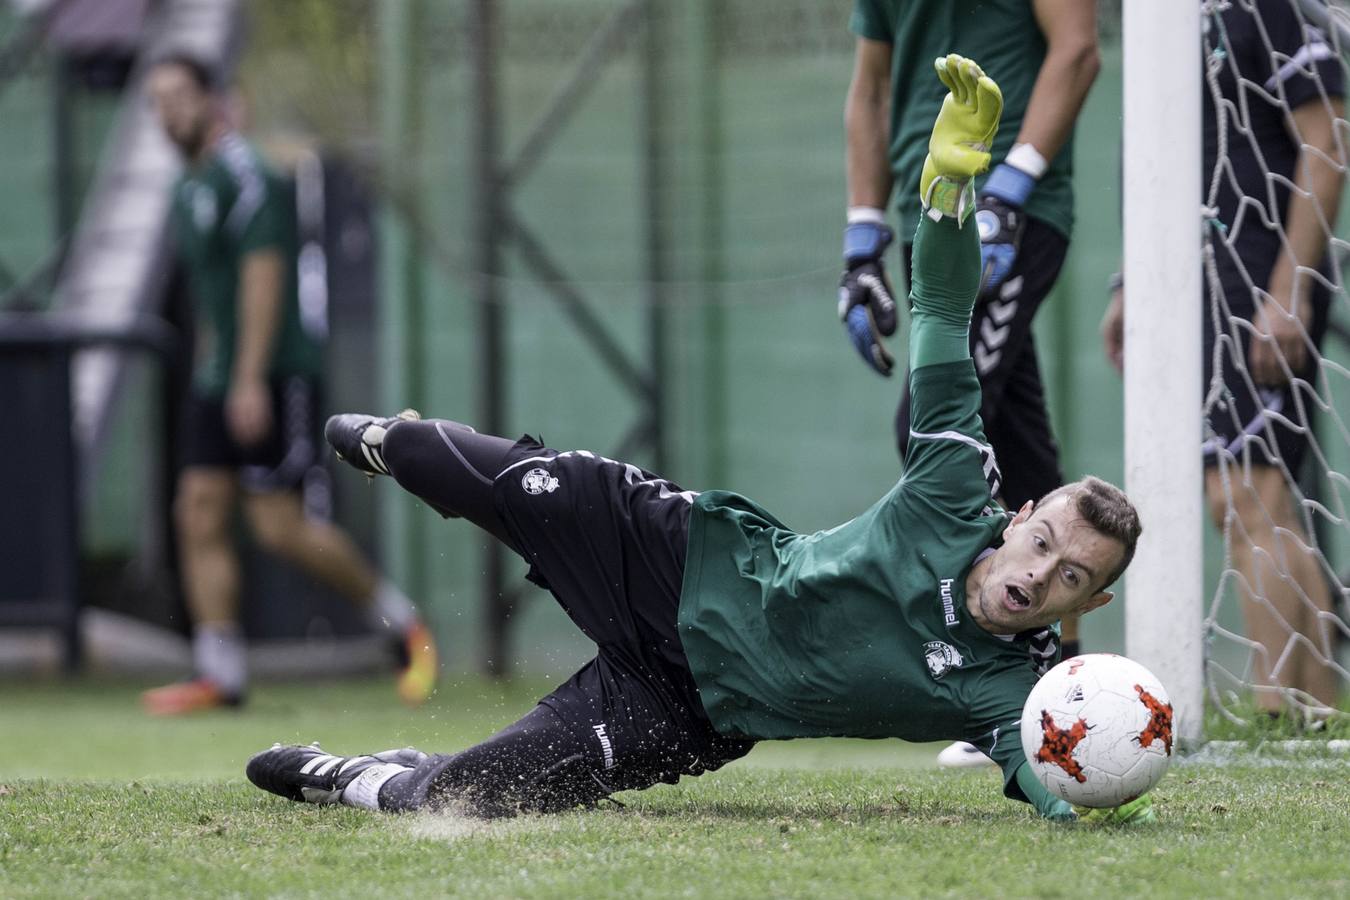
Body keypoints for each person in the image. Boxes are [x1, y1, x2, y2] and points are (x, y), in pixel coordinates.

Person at [247, 57, 1149, 824]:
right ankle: (393, 441)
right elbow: (945, 313)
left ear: (1090, 607)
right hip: (684, 560)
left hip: (688, 709)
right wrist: (950, 196)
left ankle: (354, 774)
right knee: (434, 460)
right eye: (1042, 541)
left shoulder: (1020, 689)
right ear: (1019, 516)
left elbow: (1039, 767)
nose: (1038, 574)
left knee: (459, 799)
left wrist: (1078, 793)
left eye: (1070, 577)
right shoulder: (958, 483)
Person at [837, 0, 1101, 767]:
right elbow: (870, 88)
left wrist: (1013, 188)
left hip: (1014, 212)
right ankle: (1062, 687)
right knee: (1013, 440)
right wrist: (862, 241)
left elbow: (1078, 50)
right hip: (935, 209)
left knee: (937, 428)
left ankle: (998, 681)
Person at [140, 53, 439, 715]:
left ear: (213, 99)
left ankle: (404, 627)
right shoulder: (186, 187)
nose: (169, 112)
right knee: (197, 510)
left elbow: (263, 276)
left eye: (180, 97)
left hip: (272, 375)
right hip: (219, 378)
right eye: (157, 100)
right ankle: (221, 674)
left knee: (279, 528)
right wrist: (213, 375)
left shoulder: (246, 174)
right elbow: (213, 298)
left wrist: (247, 377)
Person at [1101, 0, 1344, 721]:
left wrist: (1289, 290)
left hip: (1260, 281)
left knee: (1246, 495)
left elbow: (1328, 142)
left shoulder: (1267, 8)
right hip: (1190, 294)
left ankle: (1276, 708)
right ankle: (1312, 708)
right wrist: (1128, 283)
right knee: (1254, 501)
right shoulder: (1166, 25)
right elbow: (1161, 165)